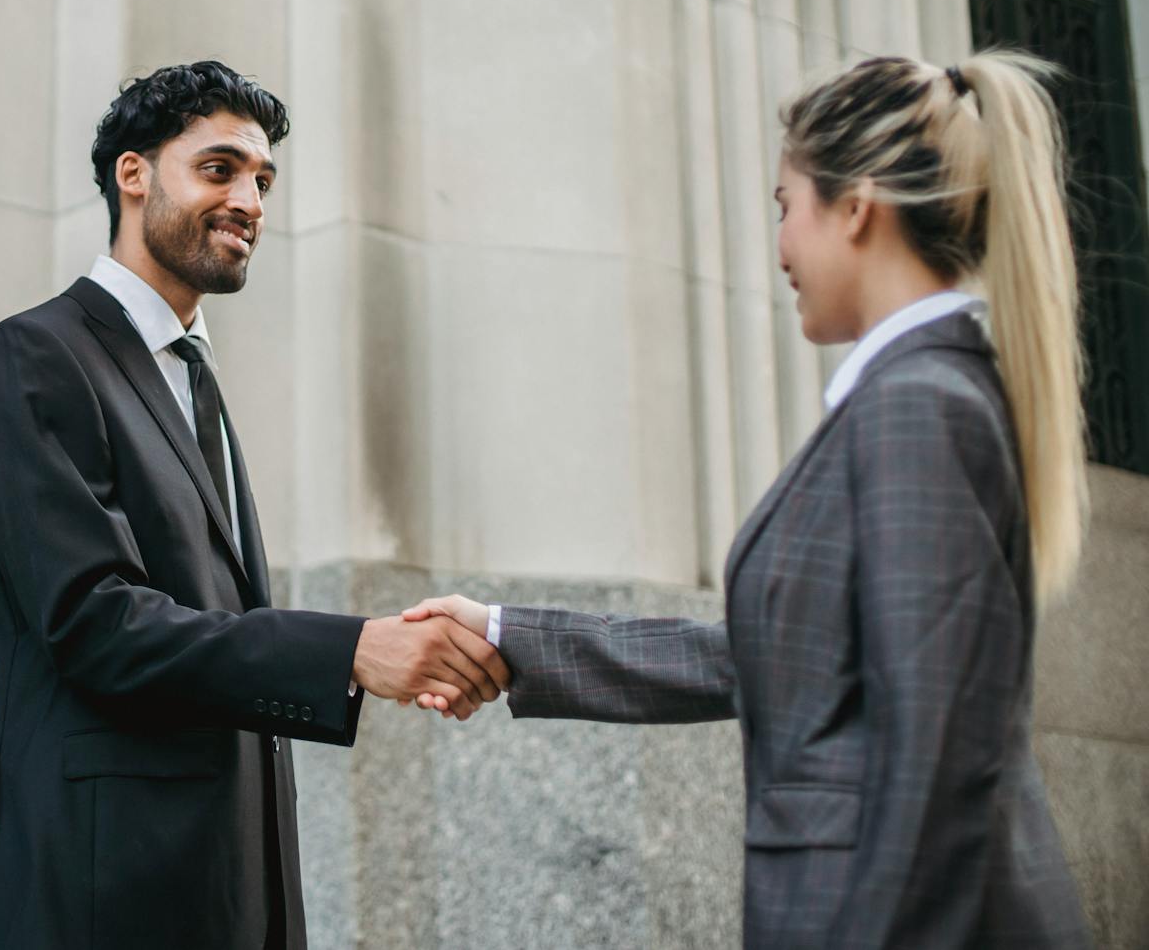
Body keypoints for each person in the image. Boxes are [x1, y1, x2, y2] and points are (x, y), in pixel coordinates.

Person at [406, 51, 1093, 948]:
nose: (779, 248)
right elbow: (768, 652)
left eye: (785, 206)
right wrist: (505, 634)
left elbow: (936, 762)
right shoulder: (907, 400)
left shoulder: (919, 409)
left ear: (856, 206)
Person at [0, 61, 509, 949]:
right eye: (219, 169)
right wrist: (351, 650)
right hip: (97, 894)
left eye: (262, 180)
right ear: (132, 175)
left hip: (231, 891)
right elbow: (95, 622)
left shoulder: (192, 375)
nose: (250, 199)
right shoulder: (34, 356)